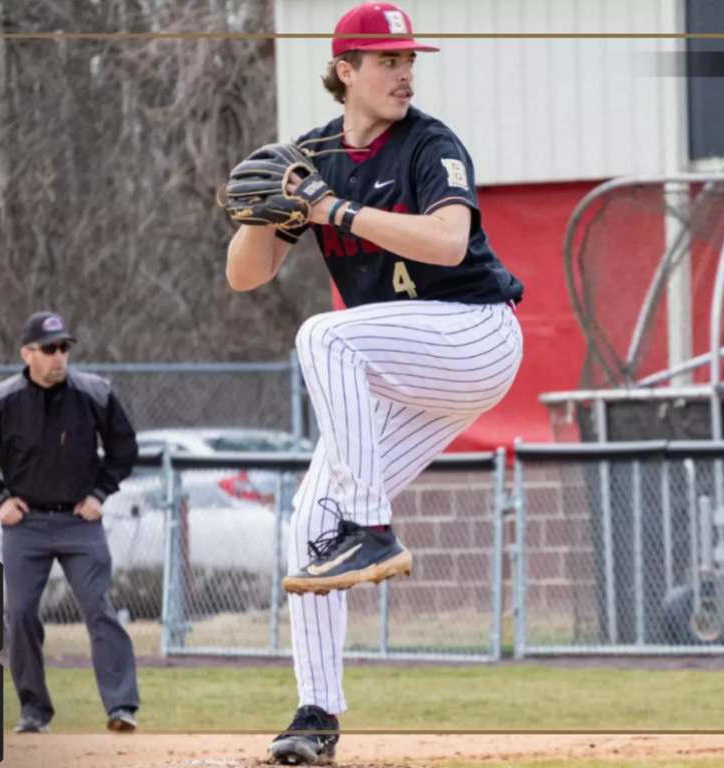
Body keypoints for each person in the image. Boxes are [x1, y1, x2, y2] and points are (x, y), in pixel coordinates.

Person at [222, 3, 524, 764]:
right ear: (345, 71)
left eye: (408, 59)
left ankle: (371, 527)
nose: (405, 72)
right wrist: (269, 212)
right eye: (387, 60)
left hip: (475, 333)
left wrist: (335, 209)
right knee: (308, 523)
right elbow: (243, 277)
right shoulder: (313, 156)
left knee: (323, 335)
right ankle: (315, 718)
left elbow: (450, 241)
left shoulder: (429, 142)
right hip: (403, 368)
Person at [0, 311, 142, 735]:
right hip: (26, 525)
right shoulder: (0, 399)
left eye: (64, 348)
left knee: (99, 609)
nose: (60, 357)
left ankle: (122, 707)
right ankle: (34, 711)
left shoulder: (94, 393)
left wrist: (99, 493)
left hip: (80, 522)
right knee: (19, 613)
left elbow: (124, 448)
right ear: (27, 354)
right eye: (50, 349)